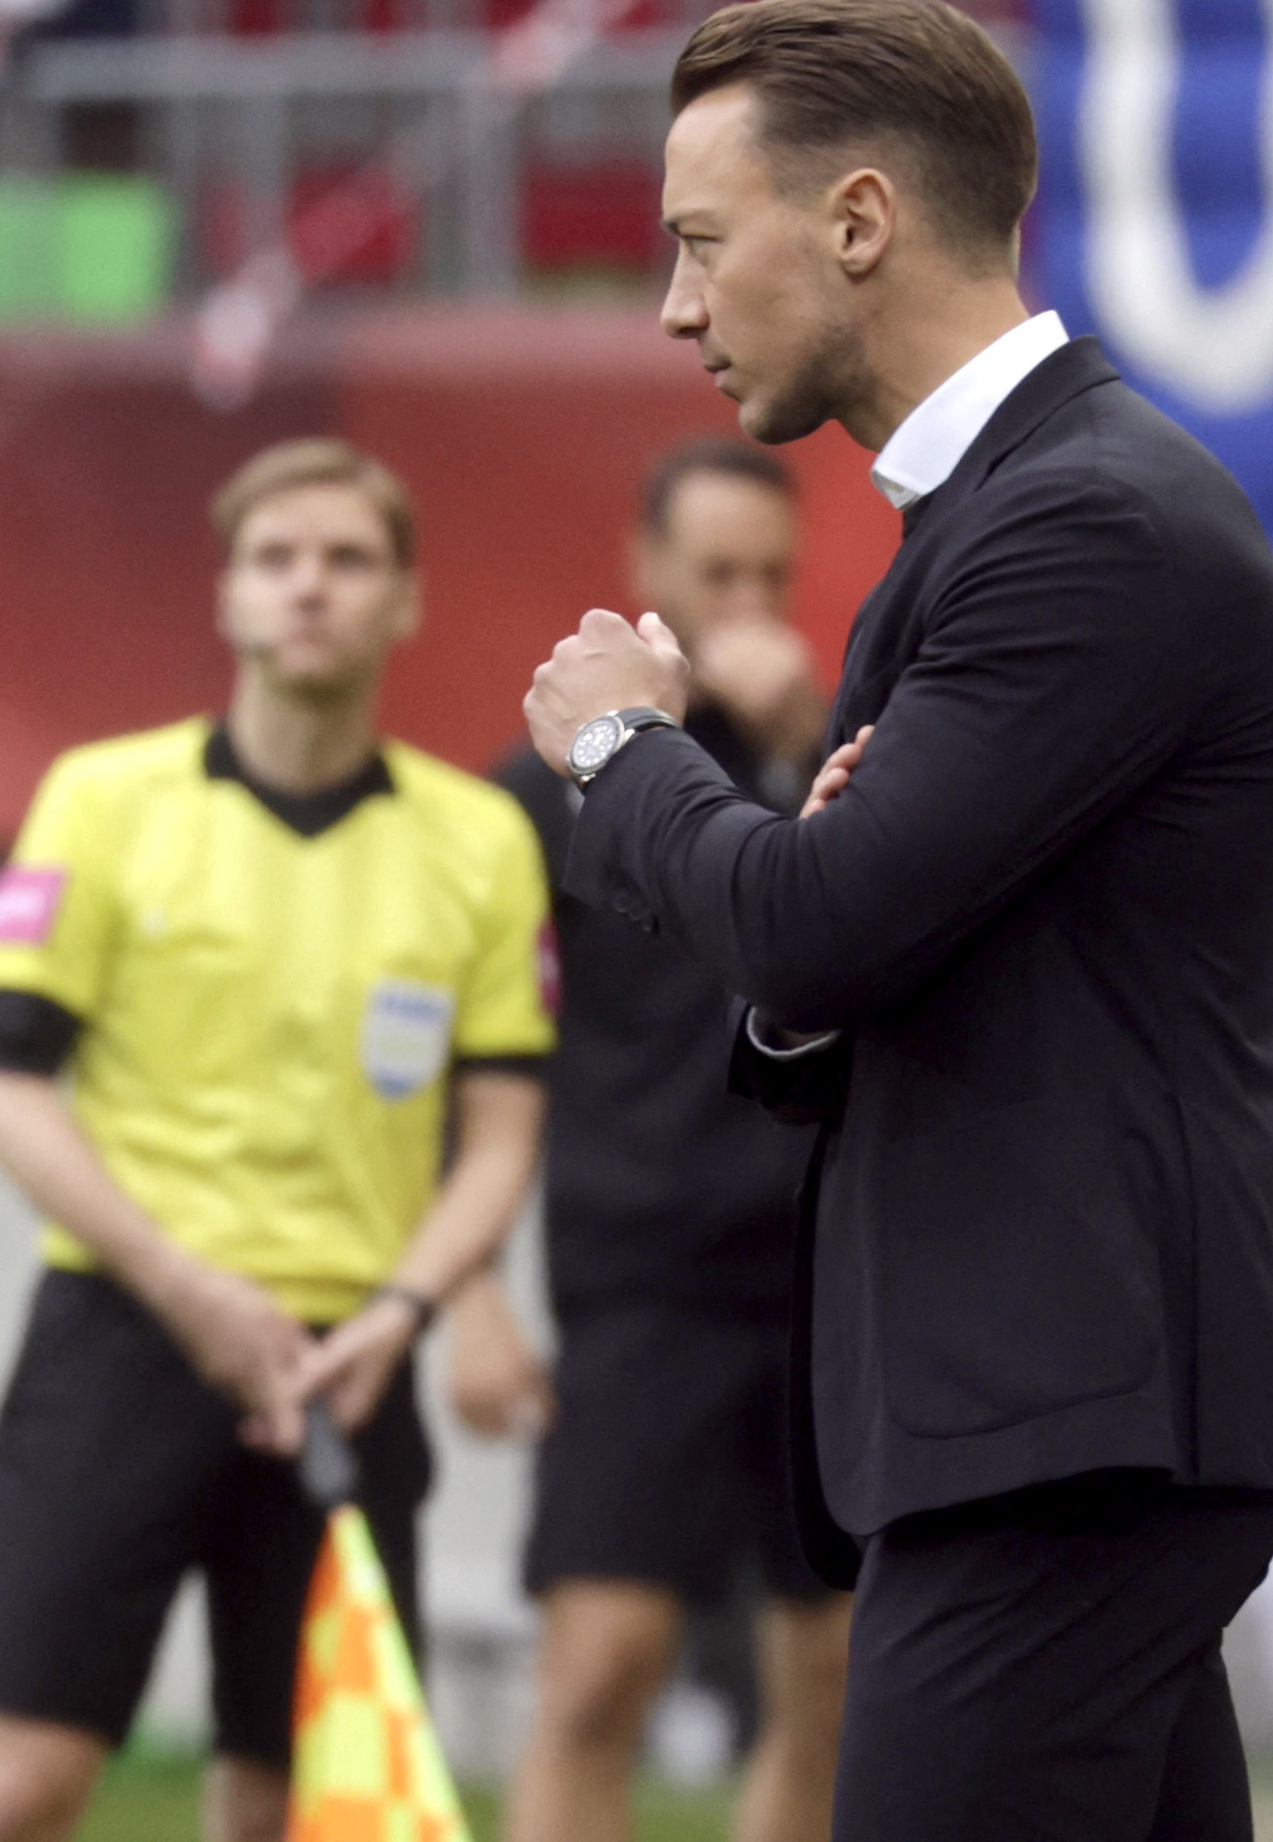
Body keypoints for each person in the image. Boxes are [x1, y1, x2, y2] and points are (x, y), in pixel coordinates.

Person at [523, 0, 1273, 1842]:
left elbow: (813, 925)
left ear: (861, 220)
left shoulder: (1082, 522)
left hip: (1070, 1423)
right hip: (1060, 1416)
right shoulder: (1006, 514)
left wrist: (626, 749)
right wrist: (813, 906)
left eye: (702, 242)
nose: (677, 306)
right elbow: (844, 944)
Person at [0, 439, 554, 1842]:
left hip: (352, 1364)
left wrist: (403, 1311)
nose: (309, 587)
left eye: (347, 559)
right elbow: (10, 1094)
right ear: (226, 594)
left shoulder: (480, 841)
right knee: (18, 1788)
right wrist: (186, 1287)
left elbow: (502, 1137)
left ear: (406, 599)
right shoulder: (102, 799)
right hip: (122, 1333)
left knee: (292, 1806)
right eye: (276, 559)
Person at [470, 437, 846, 1842]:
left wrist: (801, 751)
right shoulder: (543, 786)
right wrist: (469, 1293)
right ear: (647, 571)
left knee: (836, 1674)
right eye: (717, 574)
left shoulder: (843, 760)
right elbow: (481, 1060)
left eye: (770, 577)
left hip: (824, 1272)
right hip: (641, 1276)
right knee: (598, 1664)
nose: (747, 604)